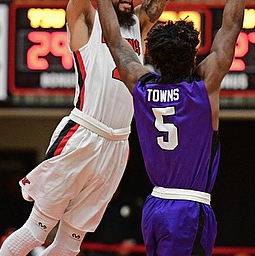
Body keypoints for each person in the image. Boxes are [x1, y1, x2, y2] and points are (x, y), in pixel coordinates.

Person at [0, 0, 168, 255]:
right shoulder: (88, 16)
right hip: (84, 133)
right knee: (36, 231)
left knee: (71, 242)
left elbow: (157, 5)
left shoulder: (137, 23)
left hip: (118, 144)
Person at [96, 0, 245, 255]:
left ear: (153, 56)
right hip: (187, 210)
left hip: (154, 207)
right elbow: (230, 28)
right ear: (193, 57)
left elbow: (114, 40)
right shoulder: (203, 87)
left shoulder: (141, 87)